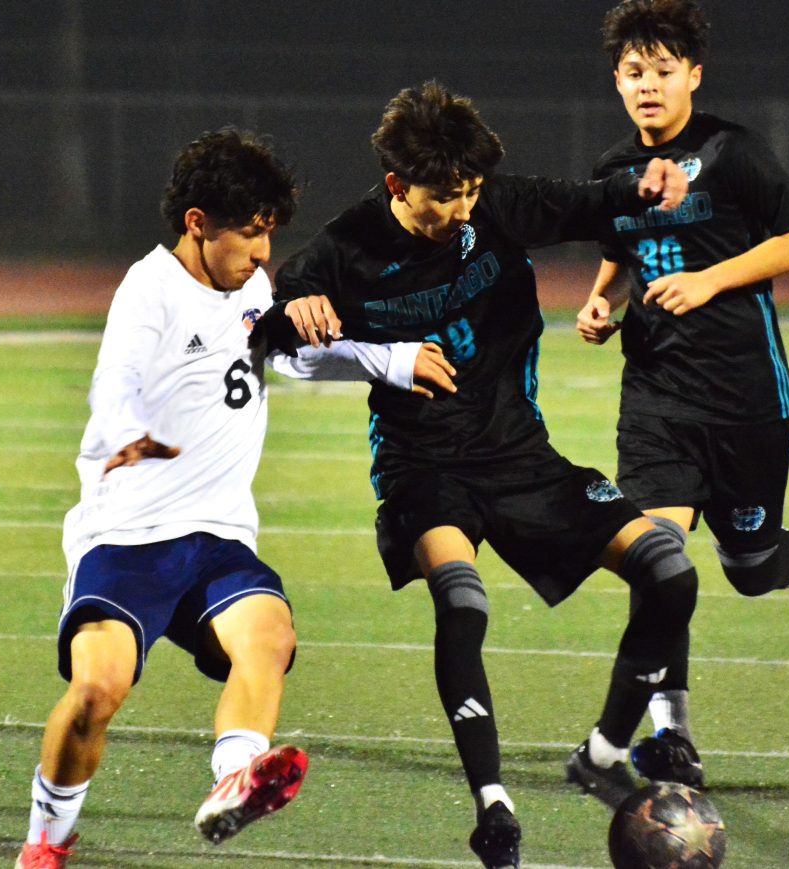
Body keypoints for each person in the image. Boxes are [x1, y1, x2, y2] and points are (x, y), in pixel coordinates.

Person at [254, 80, 698, 869]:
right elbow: (274, 331)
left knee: (669, 573)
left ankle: (601, 750)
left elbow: (586, 202)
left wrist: (644, 183)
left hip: (523, 456)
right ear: (396, 185)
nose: (462, 210)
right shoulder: (344, 248)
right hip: (423, 469)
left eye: (469, 193)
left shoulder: (496, 206)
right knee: (463, 606)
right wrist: (299, 313)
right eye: (443, 197)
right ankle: (494, 809)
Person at [15, 127, 456, 869]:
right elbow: (114, 379)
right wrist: (122, 427)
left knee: (269, 637)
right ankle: (46, 842)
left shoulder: (252, 285)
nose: (261, 254)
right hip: (126, 538)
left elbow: (291, 358)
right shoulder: (148, 290)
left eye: (268, 236)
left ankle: (233, 781)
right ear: (197, 224)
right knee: (97, 690)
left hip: (218, 538)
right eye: (249, 235)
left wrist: (392, 360)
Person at [575, 0, 789, 789]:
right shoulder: (612, 170)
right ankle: (673, 735)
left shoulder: (734, 153)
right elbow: (621, 249)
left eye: (663, 70)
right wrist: (600, 302)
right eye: (633, 73)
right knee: (659, 559)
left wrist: (710, 280)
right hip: (657, 395)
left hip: (747, 396)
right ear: (616, 81)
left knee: (752, 566)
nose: (647, 85)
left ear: (693, 74)